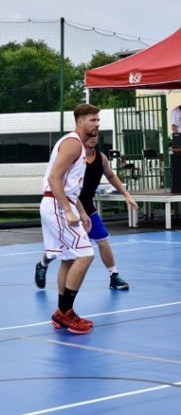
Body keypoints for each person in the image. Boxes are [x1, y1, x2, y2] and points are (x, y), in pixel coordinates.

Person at [35, 134, 138, 291]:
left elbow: (110, 175)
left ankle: (114, 275)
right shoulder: (74, 157)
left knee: (103, 241)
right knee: (58, 251)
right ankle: (43, 264)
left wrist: (126, 195)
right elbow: (57, 180)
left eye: (95, 136)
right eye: (89, 135)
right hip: (69, 206)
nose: (92, 138)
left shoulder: (101, 158)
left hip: (87, 208)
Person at [39, 104, 99, 334]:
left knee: (67, 259)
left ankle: (62, 313)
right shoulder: (73, 143)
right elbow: (54, 178)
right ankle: (65, 313)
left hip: (59, 203)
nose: (96, 125)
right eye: (92, 120)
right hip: (56, 204)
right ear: (80, 121)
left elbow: (70, 186)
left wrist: (81, 211)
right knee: (85, 254)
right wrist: (68, 210)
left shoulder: (79, 146)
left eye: (98, 121)